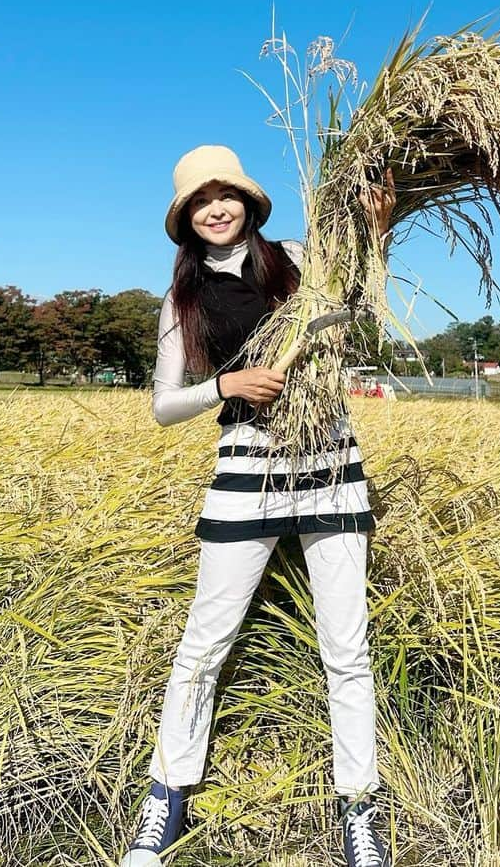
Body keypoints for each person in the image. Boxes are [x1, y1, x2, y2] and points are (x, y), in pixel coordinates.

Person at [120, 144, 396, 867]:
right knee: (205, 642)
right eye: (200, 200)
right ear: (186, 218)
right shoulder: (181, 300)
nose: (216, 207)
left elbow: (355, 314)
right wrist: (227, 387)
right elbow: (161, 404)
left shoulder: (298, 257)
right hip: (245, 468)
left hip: (332, 463)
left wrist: (379, 231)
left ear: (247, 201)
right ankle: (166, 796)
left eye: (227, 194)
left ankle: (359, 807)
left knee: (346, 646)